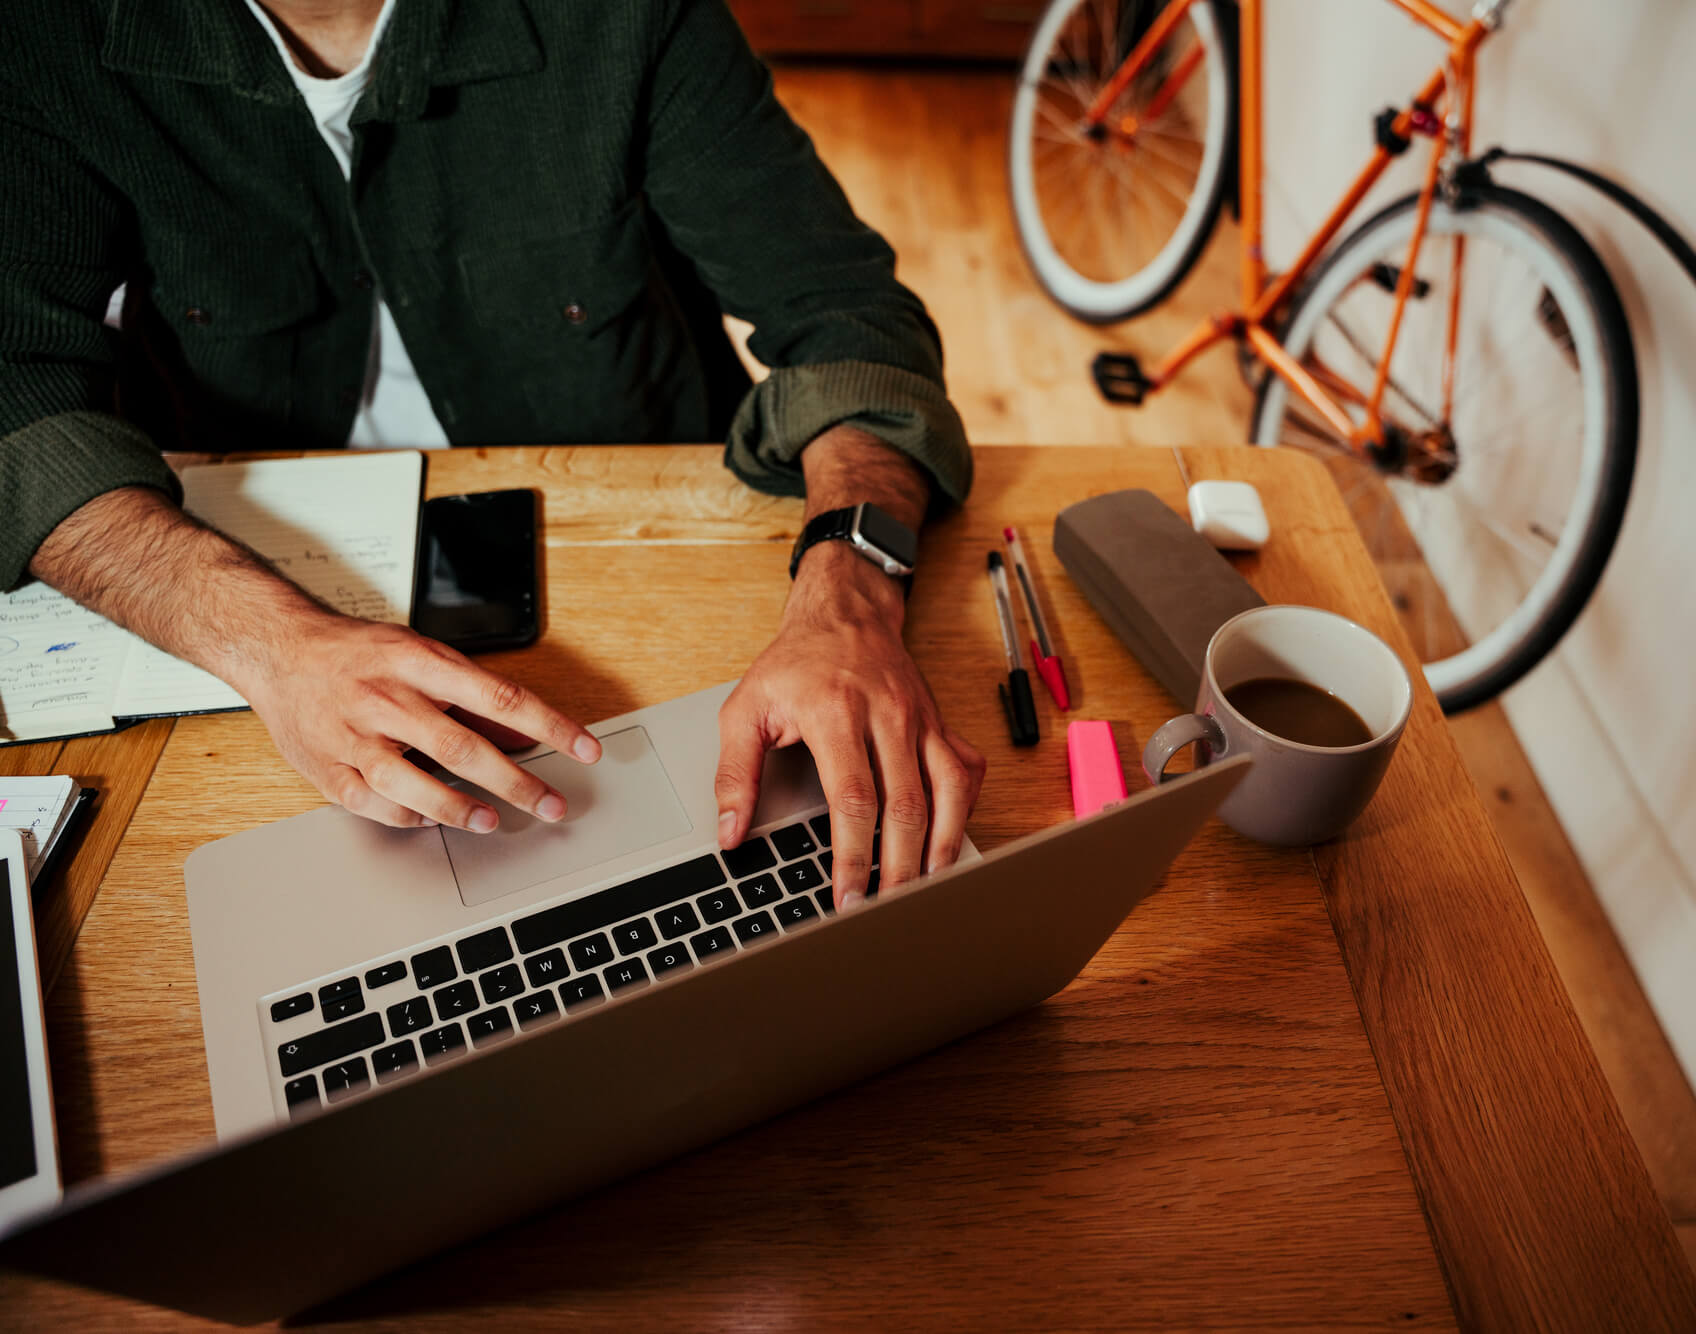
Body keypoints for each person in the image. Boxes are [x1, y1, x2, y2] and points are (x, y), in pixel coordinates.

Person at [0, 0, 983, 909]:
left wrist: (851, 587)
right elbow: (17, 396)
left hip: (656, 568)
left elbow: (846, 317)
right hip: (236, 620)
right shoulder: (53, 32)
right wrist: (269, 645)